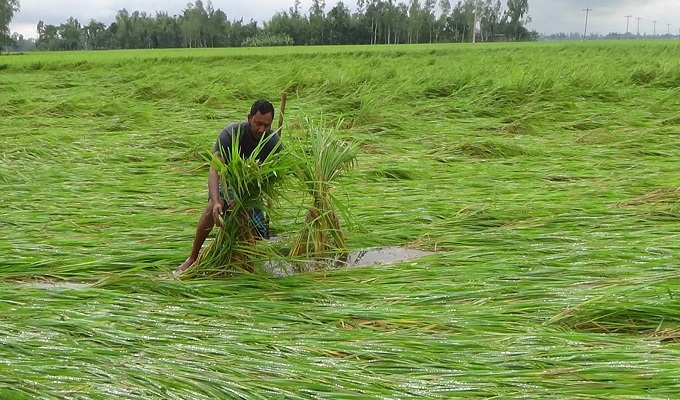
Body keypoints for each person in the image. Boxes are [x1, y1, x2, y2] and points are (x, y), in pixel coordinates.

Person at [175, 99, 282, 275]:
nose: (262, 129)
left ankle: (241, 262)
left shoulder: (272, 142)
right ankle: (193, 258)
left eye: (266, 125)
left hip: (250, 190)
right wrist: (217, 201)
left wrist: (251, 196)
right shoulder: (231, 134)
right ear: (249, 118)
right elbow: (215, 170)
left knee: (255, 231)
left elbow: (275, 174)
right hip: (227, 182)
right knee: (212, 209)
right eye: (258, 124)